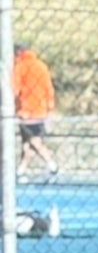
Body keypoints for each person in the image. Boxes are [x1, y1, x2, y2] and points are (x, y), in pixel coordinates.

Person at [13, 43, 56, 176]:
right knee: (27, 141)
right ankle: (21, 169)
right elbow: (49, 88)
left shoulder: (20, 66)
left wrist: (13, 105)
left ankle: (52, 164)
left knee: (33, 139)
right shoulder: (41, 66)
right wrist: (50, 108)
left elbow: (15, 89)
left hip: (26, 110)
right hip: (41, 109)